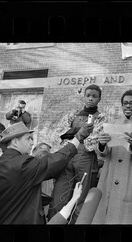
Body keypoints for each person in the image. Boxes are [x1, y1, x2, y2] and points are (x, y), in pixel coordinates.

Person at [0, 121, 93, 224]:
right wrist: (78, 137)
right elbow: (55, 161)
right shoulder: (23, 164)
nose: (32, 143)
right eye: (28, 138)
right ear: (14, 142)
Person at [91, 89, 132, 224]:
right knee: (104, 212)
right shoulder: (112, 124)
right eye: (125, 103)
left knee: (127, 214)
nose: (128, 106)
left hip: (131, 174)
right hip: (110, 172)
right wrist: (102, 144)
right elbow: (103, 153)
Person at [48, 84, 107, 224]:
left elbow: (95, 139)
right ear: (84, 97)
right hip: (67, 158)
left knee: (82, 198)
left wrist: (72, 133)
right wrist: (80, 131)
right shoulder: (72, 115)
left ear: (99, 99)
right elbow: (58, 134)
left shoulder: (102, 117)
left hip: (86, 159)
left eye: (94, 96)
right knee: (60, 195)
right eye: (88, 95)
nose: (90, 99)